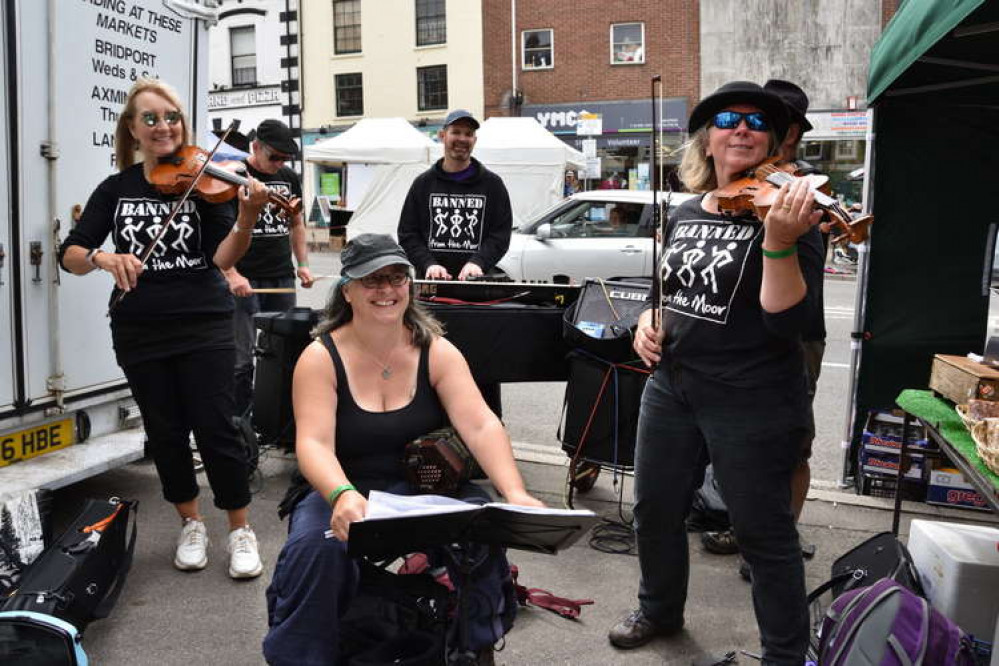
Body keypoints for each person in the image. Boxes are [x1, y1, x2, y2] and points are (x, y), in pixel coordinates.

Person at [607, 81, 823, 664]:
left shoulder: (792, 213)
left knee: (763, 531)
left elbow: (789, 324)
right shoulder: (683, 210)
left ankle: (784, 652)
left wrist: (778, 240)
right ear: (708, 139)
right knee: (654, 508)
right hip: (674, 386)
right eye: (728, 118)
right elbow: (670, 292)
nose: (742, 128)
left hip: (752, 396)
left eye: (757, 122)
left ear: (774, 145)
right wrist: (649, 319)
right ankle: (659, 608)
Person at [263, 233, 543, 665]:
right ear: (348, 291)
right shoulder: (320, 357)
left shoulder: (437, 350)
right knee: (315, 551)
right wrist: (341, 495)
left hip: (421, 483)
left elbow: (481, 423)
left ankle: (473, 646)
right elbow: (313, 443)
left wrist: (516, 493)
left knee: (482, 531)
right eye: (372, 280)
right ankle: (303, 656)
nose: (386, 290)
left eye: (396, 278)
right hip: (343, 485)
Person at [58, 78, 270, 578]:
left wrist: (246, 218)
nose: (163, 126)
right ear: (131, 129)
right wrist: (103, 257)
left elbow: (222, 258)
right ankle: (190, 522)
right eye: (150, 118)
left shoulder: (204, 182)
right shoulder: (116, 188)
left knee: (217, 427)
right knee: (166, 432)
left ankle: (240, 529)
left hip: (204, 323)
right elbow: (71, 253)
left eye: (171, 116)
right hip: (139, 329)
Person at [699, 79, 825, 570]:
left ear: (788, 133)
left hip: (796, 333)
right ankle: (741, 522)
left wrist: (784, 229)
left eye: (767, 124)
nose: (747, 131)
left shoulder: (799, 189)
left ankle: (777, 536)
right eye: (733, 121)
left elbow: (798, 301)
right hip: (736, 342)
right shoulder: (738, 187)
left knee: (790, 445)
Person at [223, 119, 314, 417]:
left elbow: (296, 223)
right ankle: (240, 423)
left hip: (281, 273)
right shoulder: (235, 175)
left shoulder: (288, 178)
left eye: (284, 158)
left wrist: (302, 264)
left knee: (285, 347)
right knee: (242, 356)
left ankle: (278, 418)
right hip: (244, 276)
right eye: (274, 157)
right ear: (255, 147)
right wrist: (231, 273)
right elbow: (220, 231)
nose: (279, 164)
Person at [398, 109, 513, 282]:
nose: (462, 139)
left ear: (474, 140)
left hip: (475, 286)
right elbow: (408, 234)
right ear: (442, 135)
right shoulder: (423, 184)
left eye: (468, 134)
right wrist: (428, 264)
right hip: (432, 286)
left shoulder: (493, 185)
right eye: (456, 132)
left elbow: (500, 235)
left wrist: (478, 262)